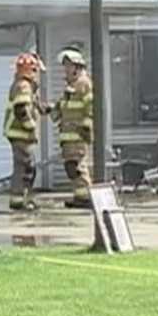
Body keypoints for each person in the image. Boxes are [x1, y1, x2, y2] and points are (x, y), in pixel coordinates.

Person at [4, 52, 50, 211]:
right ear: (29, 70)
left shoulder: (26, 86)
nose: (37, 75)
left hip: (20, 134)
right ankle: (20, 200)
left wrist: (49, 108)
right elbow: (21, 109)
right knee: (26, 168)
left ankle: (20, 198)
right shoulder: (23, 86)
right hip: (20, 134)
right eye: (35, 70)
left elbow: (35, 105)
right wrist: (30, 126)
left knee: (25, 167)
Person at [52, 49, 95, 209]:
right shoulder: (71, 87)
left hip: (77, 135)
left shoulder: (83, 84)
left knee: (77, 167)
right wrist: (50, 109)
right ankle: (80, 196)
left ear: (77, 67)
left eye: (68, 66)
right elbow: (63, 108)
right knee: (72, 167)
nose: (65, 70)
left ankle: (86, 198)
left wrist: (86, 127)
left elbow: (91, 107)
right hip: (68, 136)